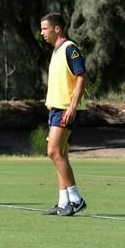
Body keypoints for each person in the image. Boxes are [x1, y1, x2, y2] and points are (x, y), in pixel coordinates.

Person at [40, 12, 88, 216]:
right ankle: (63, 202)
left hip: (65, 109)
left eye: (44, 28)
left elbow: (82, 76)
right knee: (61, 154)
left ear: (57, 29)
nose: (42, 32)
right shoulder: (56, 51)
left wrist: (72, 106)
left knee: (53, 152)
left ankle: (76, 199)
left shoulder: (70, 49)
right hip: (55, 109)